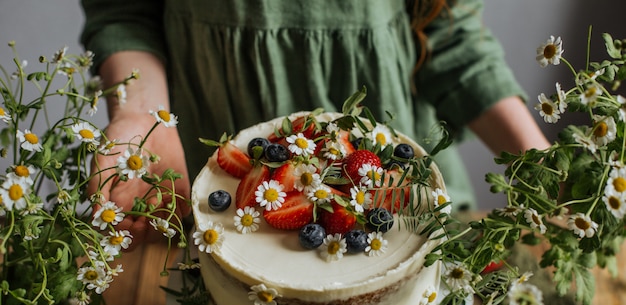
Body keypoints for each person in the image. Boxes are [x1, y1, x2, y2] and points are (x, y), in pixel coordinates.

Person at [79, 0, 550, 244]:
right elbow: (126, 13)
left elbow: (449, 35)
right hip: (224, 196)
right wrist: (143, 116)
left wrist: (542, 164)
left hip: (393, 196)